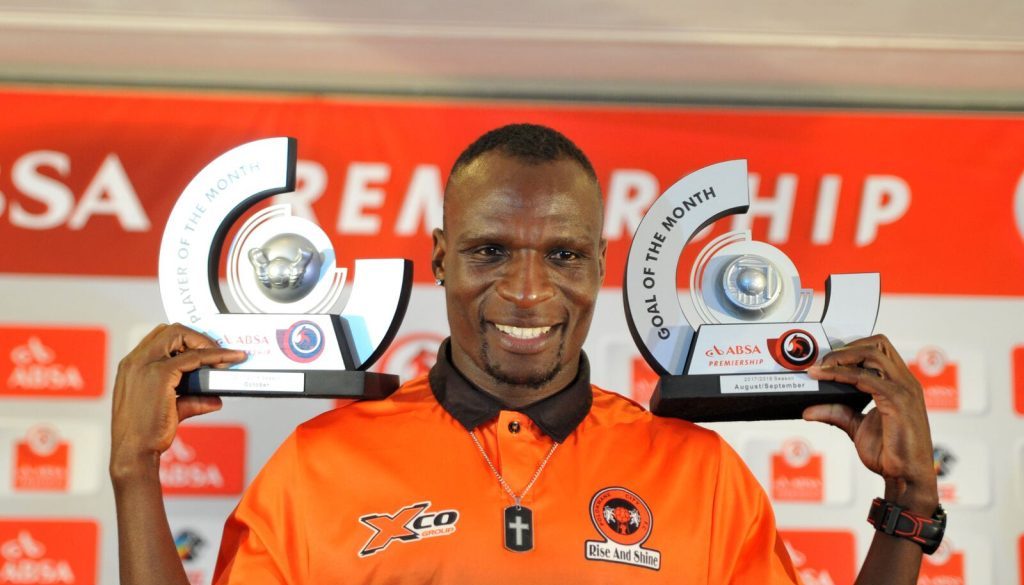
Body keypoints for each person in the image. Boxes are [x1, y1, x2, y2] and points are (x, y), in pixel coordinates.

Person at [110, 124, 940, 584]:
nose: (530, 292)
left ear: (604, 265)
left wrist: (908, 502)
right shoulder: (315, 467)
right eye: (491, 251)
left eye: (564, 255)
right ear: (439, 256)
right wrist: (137, 478)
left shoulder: (703, 474)